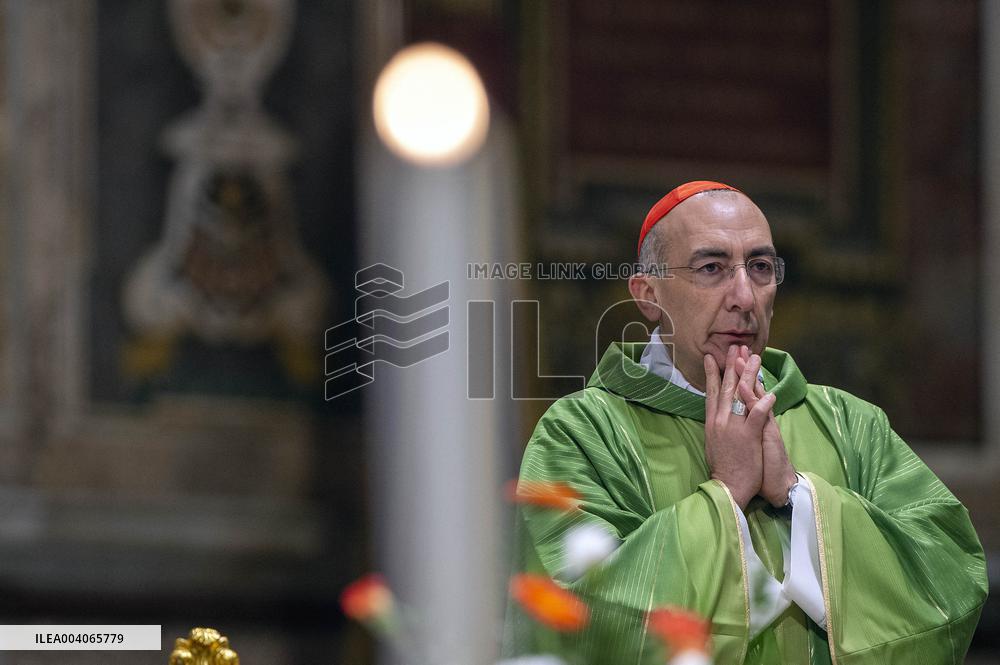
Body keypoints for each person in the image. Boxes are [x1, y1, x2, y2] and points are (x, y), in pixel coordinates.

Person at [505, 181, 988, 664]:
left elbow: (951, 581)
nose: (744, 296)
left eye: (760, 268)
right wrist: (726, 494)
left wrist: (798, 495)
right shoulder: (583, 432)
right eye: (711, 268)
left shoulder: (850, 425)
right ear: (648, 294)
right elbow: (574, 617)